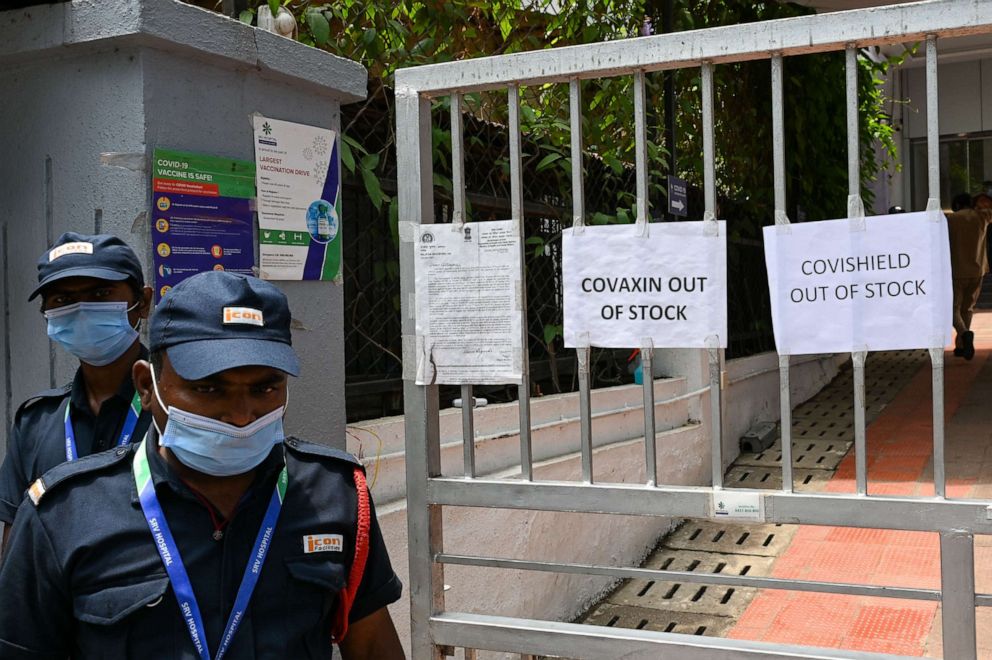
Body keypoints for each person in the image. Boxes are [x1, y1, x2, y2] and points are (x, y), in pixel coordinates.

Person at [0, 271, 404, 659]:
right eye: (208, 388)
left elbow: (369, 644)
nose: (242, 415)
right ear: (147, 387)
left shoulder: (335, 495)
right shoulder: (63, 515)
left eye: (265, 388)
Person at [0, 232, 153, 550]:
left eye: (100, 293)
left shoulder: (181, 411)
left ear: (144, 303)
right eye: (62, 300)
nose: (81, 310)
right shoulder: (36, 423)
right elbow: (16, 548)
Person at [947, 194, 992, 360]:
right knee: (968, 307)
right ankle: (961, 346)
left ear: (957, 204)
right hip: (978, 270)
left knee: (953, 309)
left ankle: (964, 334)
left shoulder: (951, 220)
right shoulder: (982, 217)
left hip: (957, 270)